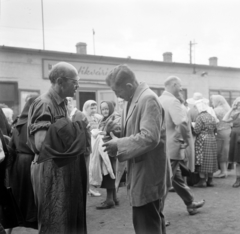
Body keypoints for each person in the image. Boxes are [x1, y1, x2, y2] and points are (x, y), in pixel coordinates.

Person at [103, 64, 171, 234]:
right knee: (151, 220)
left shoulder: (148, 99)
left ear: (128, 86)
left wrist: (118, 144)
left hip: (148, 172)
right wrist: (115, 131)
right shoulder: (132, 98)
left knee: (146, 223)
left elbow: (149, 137)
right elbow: (134, 131)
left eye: (116, 90)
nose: (116, 95)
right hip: (141, 171)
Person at [27, 62, 87, 234]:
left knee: (65, 222)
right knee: (53, 221)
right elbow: (40, 144)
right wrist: (76, 129)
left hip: (60, 171)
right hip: (49, 172)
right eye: (75, 81)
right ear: (61, 82)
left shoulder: (60, 103)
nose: (78, 85)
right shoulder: (44, 104)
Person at [159, 76, 205, 215]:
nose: (181, 89)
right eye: (180, 86)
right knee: (166, 182)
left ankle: (190, 203)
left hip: (164, 147)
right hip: (173, 148)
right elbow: (182, 123)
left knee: (176, 179)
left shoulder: (159, 100)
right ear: (173, 84)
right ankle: (157, 216)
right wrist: (186, 141)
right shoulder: (173, 101)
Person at [8, 95, 39, 230]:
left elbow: (11, 145)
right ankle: (31, 217)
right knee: (31, 191)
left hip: (19, 161)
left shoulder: (18, 123)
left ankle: (20, 218)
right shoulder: (37, 123)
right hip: (33, 160)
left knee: (21, 190)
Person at [95, 101, 121, 209]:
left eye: (106, 109)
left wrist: (105, 133)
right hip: (106, 148)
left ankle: (109, 199)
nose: (104, 111)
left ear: (110, 108)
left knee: (109, 173)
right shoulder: (103, 119)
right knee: (110, 172)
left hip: (110, 149)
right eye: (102, 109)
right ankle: (114, 198)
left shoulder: (114, 118)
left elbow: (118, 131)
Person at [193, 99, 218, 187]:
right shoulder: (211, 116)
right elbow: (215, 129)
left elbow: (197, 130)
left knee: (202, 159)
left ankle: (202, 180)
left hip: (202, 139)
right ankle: (210, 180)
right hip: (212, 138)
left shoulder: (200, 117)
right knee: (211, 159)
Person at [211, 95, 231, 178]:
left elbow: (213, 121)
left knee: (221, 151)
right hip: (228, 131)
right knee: (226, 150)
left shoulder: (216, 110)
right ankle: (225, 170)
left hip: (220, 132)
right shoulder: (228, 108)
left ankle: (223, 171)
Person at [223, 97, 240, 187]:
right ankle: (238, 180)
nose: (238, 105)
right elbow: (225, 119)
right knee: (237, 161)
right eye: (237, 104)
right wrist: (231, 109)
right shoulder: (236, 114)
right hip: (234, 138)